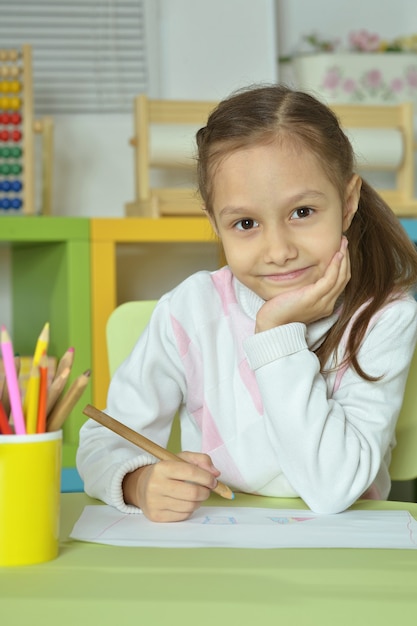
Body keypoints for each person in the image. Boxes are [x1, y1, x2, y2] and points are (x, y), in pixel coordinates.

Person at [77, 84, 417, 522]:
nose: (278, 250)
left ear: (347, 202)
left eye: (302, 213)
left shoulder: (385, 318)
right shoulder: (191, 309)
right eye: (245, 223)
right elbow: (103, 442)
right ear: (215, 224)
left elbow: (333, 490)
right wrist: (137, 483)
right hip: (221, 543)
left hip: (343, 549)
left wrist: (277, 333)